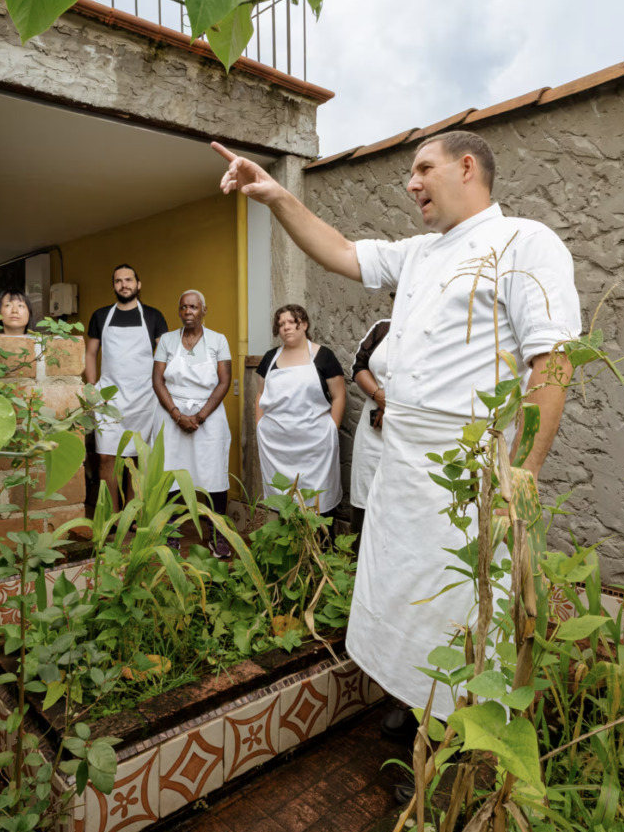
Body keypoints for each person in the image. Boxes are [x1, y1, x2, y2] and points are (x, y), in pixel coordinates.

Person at [213, 132, 582, 733]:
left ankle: (464, 730)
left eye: (423, 169)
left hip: (468, 468)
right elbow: (338, 250)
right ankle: (415, 700)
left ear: (467, 167)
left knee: (461, 594)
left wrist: (520, 478)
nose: (411, 183)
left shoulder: (526, 242)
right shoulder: (419, 253)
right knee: (404, 589)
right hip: (403, 462)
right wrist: (276, 195)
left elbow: (553, 364)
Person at [152, 290, 232, 558]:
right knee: (170, 471)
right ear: (179, 311)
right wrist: (177, 414)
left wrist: (199, 416)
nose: (188, 312)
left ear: (204, 311)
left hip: (209, 414)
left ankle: (217, 533)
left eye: (194, 307)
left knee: (213, 472)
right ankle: (171, 532)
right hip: (170, 412)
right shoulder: (167, 340)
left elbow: (224, 381)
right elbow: (158, 380)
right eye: (184, 307)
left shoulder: (218, 340)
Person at [85, 264, 167, 512]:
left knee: (137, 459)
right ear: (114, 286)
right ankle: (111, 515)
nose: (124, 285)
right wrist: (91, 389)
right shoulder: (101, 316)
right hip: (108, 398)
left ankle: (131, 517)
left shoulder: (153, 316)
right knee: (106, 458)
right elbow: (90, 353)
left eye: (128, 280)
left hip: (144, 398)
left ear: (138, 284)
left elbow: (165, 356)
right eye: (118, 281)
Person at [256, 304, 345, 514]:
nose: (286, 327)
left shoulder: (324, 356)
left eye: (291, 322)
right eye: (281, 324)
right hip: (276, 446)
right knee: (283, 503)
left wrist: (332, 429)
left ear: (304, 324)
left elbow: (339, 396)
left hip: (316, 446)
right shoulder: (270, 358)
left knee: (318, 500)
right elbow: (260, 394)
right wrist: (260, 426)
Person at [350, 318, 391, 550]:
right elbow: (359, 366)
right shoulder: (383, 328)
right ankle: (359, 559)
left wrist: (392, 406)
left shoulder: (437, 330)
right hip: (373, 430)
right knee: (365, 489)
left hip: (410, 427)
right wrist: (379, 397)